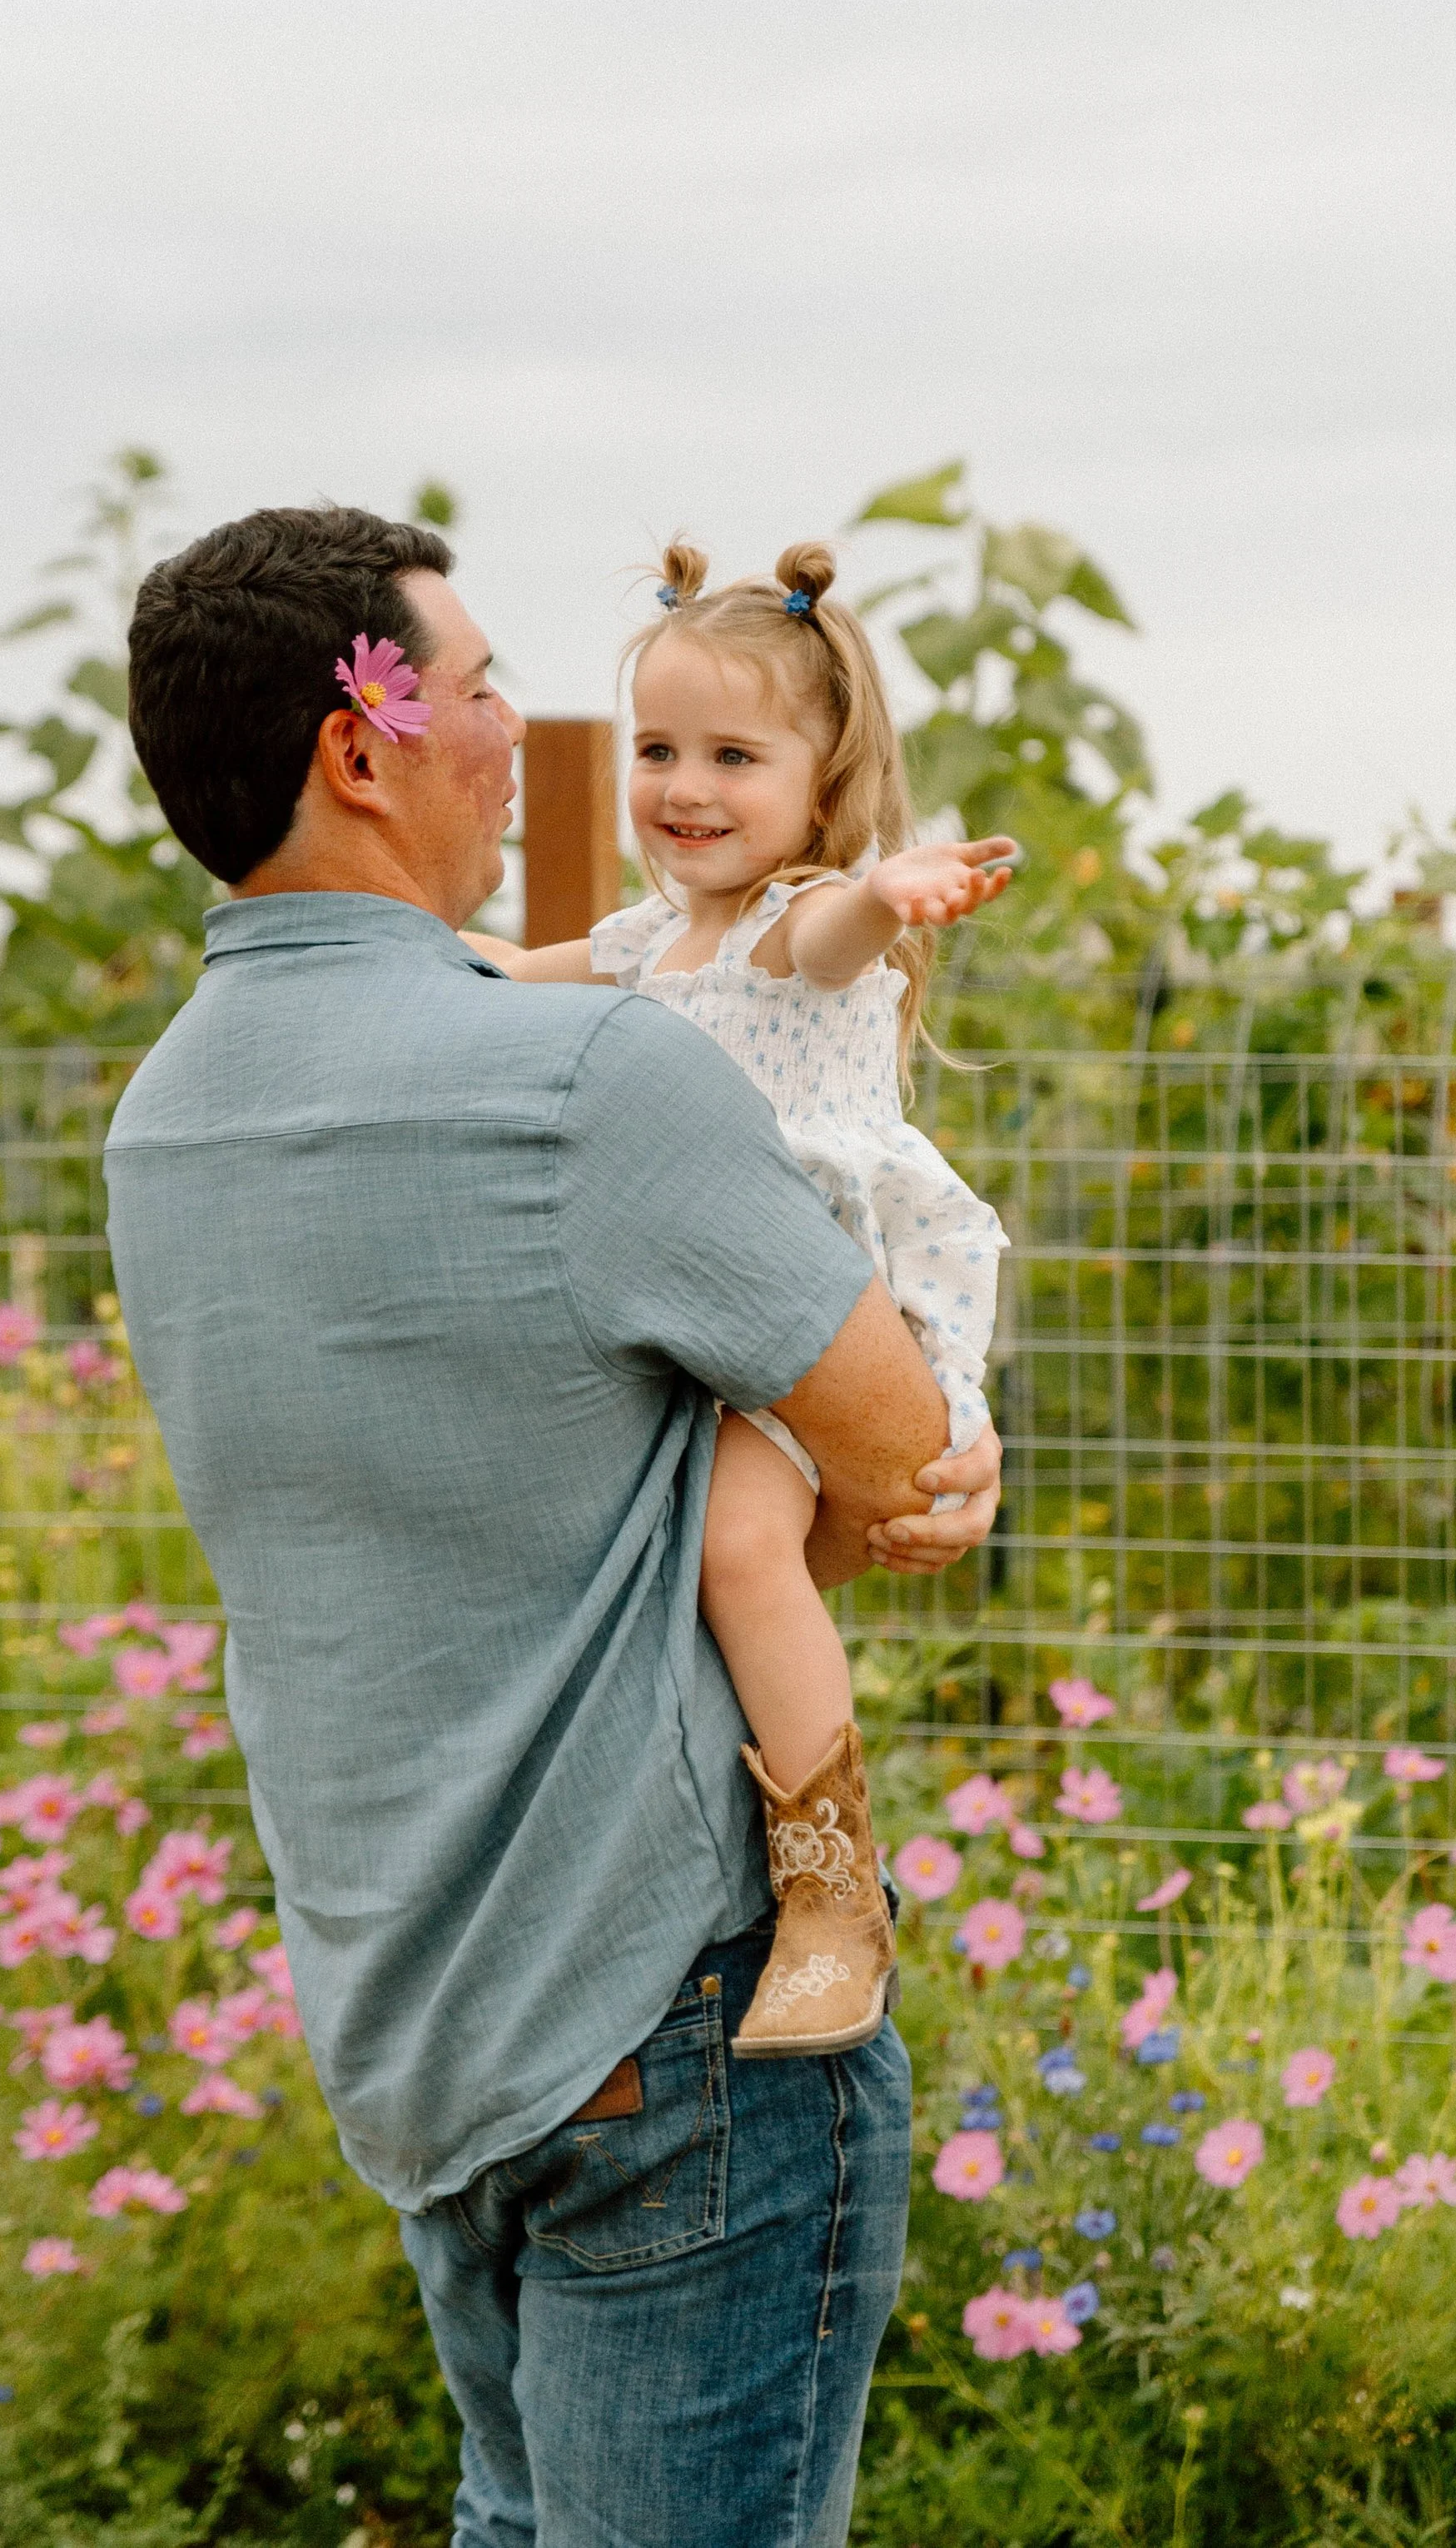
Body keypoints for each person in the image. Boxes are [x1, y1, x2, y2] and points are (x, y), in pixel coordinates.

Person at [103, 504, 1002, 2548]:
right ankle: (835, 1858)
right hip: (666, 2023)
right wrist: (921, 1467)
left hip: (419, 2017)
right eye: (490, 684)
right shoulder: (586, 1073)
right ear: (363, 746)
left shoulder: (161, 1120)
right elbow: (892, 1445)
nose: (531, 732)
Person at [475, 535, 1014, 2062]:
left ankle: (833, 1894)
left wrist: (893, 890)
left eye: (731, 753)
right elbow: (522, 968)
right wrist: (404, 955)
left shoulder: (802, 921)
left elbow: (838, 932)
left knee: (734, 1545)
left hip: (804, 1312)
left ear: (822, 778)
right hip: (696, 1320)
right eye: (657, 749)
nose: (682, 785)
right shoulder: (656, 938)